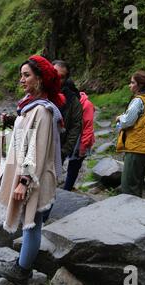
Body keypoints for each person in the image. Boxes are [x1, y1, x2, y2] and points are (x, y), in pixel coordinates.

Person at [0, 55, 64, 285]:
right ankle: (22, 265)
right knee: (30, 221)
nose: (22, 80)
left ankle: (23, 270)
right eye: (21, 75)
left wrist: (23, 181)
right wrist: (13, 121)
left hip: (33, 178)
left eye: (27, 75)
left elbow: (36, 150)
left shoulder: (43, 111)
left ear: (40, 79)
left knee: (32, 224)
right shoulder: (29, 106)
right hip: (29, 175)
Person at [116, 70, 145, 197]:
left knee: (128, 187)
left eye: (132, 82)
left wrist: (120, 118)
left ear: (140, 85)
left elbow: (127, 121)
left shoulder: (139, 100)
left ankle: (130, 215)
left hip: (137, 147)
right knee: (136, 184)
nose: (129, 85)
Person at [53, 60, 95, 191]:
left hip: (81, 140)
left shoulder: (84, 104)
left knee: (74, 164)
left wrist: (83, 146)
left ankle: (67, 188)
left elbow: (87, 126)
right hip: (72, 139)